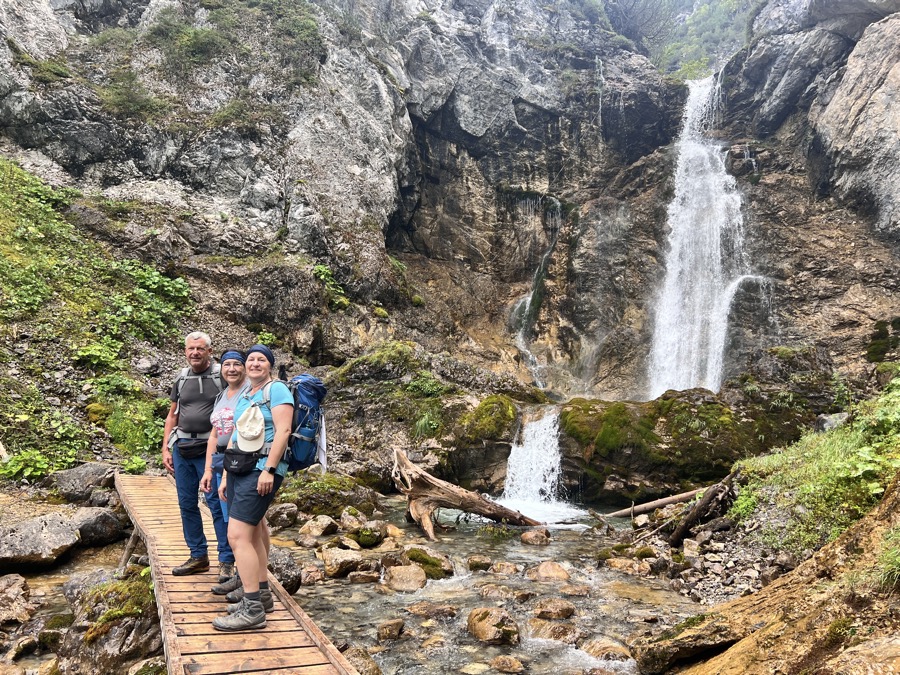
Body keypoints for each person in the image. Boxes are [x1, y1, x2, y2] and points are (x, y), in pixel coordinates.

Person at [213, 344, 292, 631]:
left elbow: (283, 431)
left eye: (261, 360)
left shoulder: (278, 390)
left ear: (270, 365)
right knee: (255, 531)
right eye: (251, 360)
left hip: (261, 469)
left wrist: (270, 469)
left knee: (237, 536)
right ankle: (262, 595)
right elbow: (235, 433)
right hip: (239, 469)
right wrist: (224, 475)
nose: (255, 364)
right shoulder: (246, 393)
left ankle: (252, 609)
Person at [162, 332, 235, 581]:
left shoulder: (220, 376)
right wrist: (165, 448)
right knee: (186, 504)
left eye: (200, 349)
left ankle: (226, 560)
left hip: (210, 448)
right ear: (185, 351)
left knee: (216, 504)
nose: (195, 353)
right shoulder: (181, 378)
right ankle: (198, 555)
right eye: (191, 349)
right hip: (182, 445)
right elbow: (172, 415)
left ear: (209, 351)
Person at [200, 349, 248, 595]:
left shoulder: (249, 392)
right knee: (228, 519)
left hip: (241, 461)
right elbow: (215, 434)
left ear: (244, 367)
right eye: (227, 364)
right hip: (221, 460)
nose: (231, 369)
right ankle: (239, 575)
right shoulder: (222, 396)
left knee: (242, 522)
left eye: (236, 364)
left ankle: (246, 579)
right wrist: (208, 469)